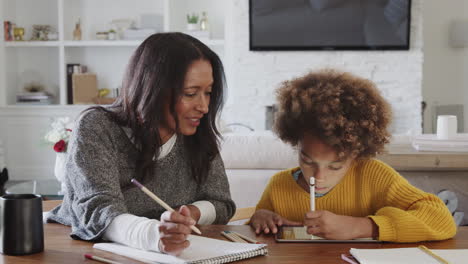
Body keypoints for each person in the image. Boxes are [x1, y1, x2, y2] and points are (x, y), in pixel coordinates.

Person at [46, 32, 236, 255]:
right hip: (84, 248)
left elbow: (222, 203)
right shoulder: (97, 126)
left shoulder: (196, 131)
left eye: (208, 93)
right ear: (154, 88)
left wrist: (191, 213)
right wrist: (153, 234)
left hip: (167, 253)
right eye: (190, 93)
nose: (203, 107)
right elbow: (98, 210)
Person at [250, 69, 457, 242]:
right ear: (296, 142)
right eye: (307, 160)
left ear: (356, 153)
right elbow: (255, 233)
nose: (318, 177)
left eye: (335, 166)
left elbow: (442, 220)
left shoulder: (373, 176)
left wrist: (363, 226)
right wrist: (259, 219)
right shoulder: (278, 186)